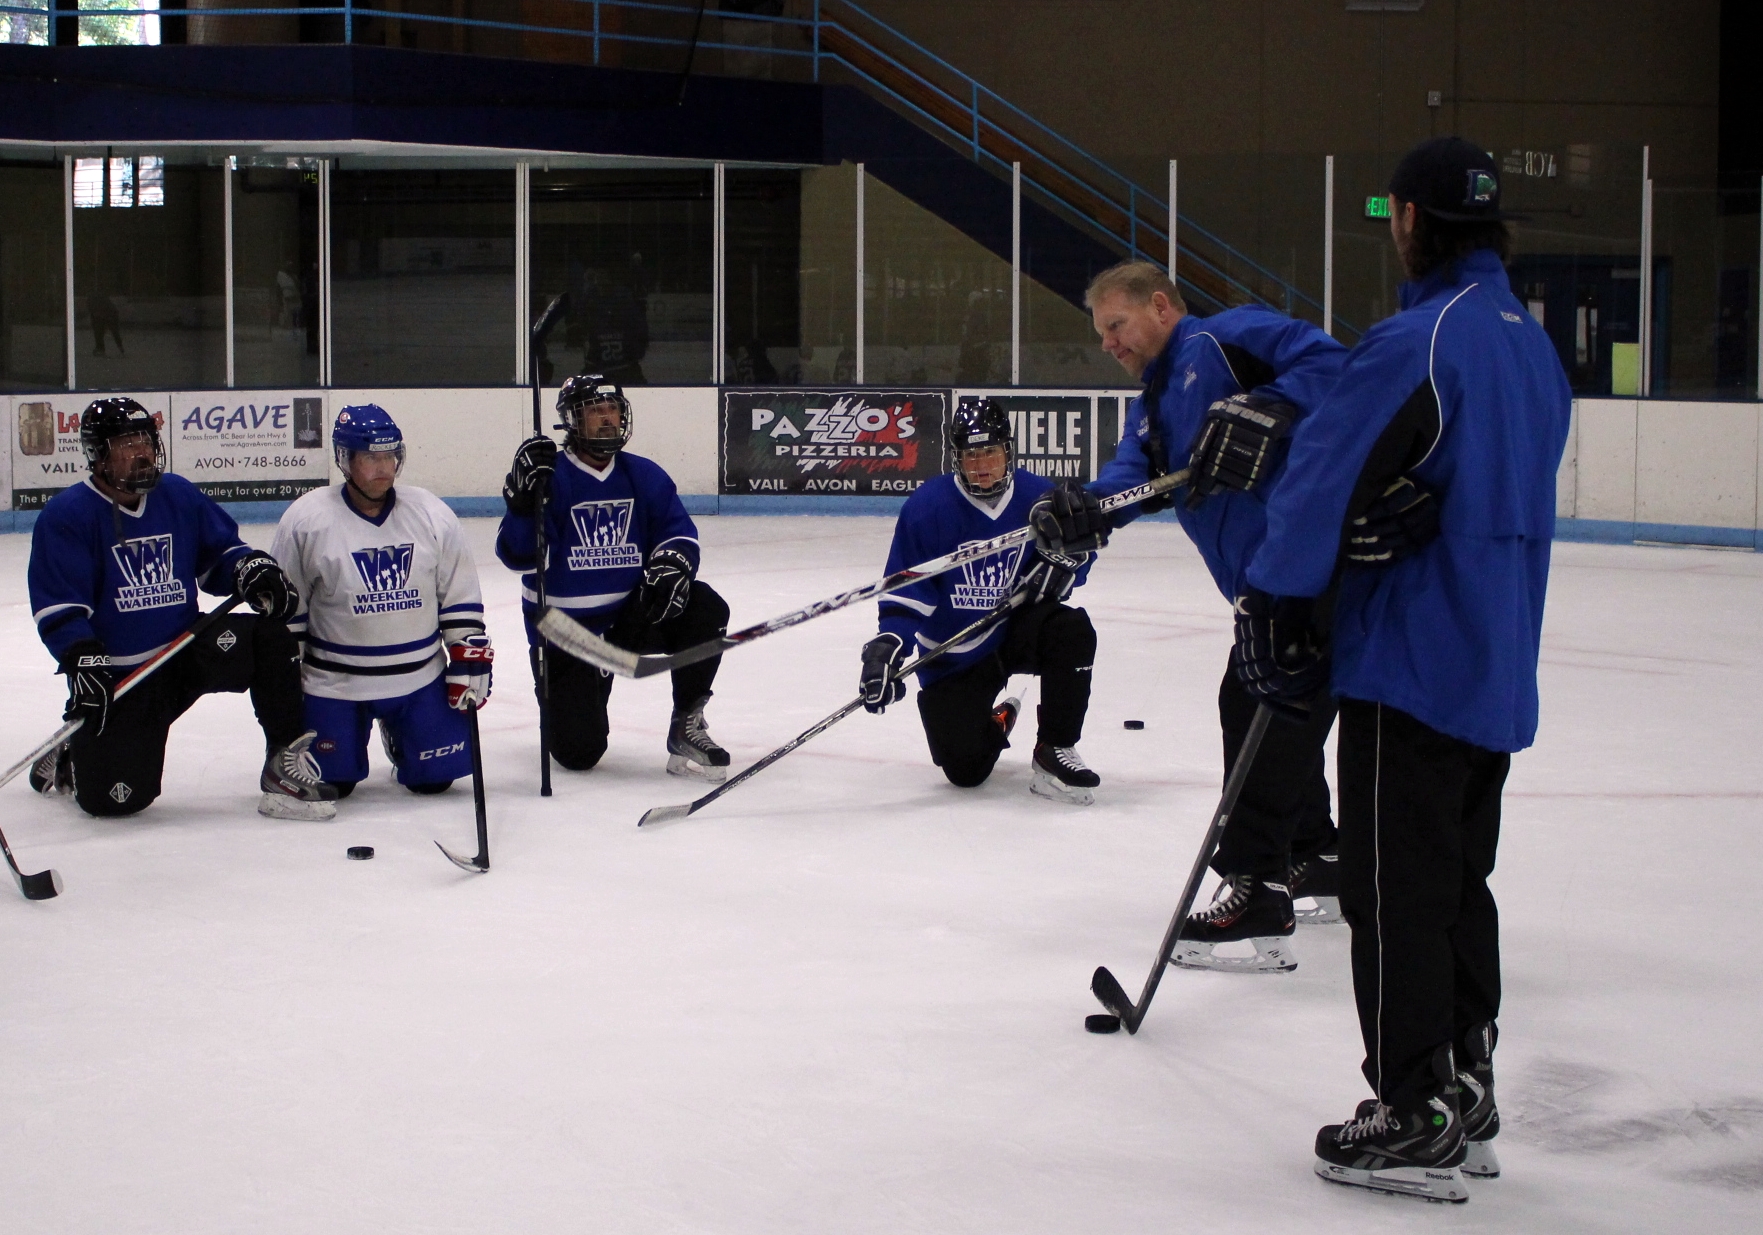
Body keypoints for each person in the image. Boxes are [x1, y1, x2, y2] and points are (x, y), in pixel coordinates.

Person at [1241, 138, 1572, 1201]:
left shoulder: (1417, 337)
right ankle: (1464, 1081)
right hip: (1495, 658)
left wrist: (1278, 600)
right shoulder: (1528, 343)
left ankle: (1409, 1101)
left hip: (1411, 659)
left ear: (1411, 223)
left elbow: (1320, 476)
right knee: (1455, 878)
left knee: (1388, 892)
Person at [1085, 259, 1354, 972]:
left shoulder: (1227, 338)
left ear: (1162, 306)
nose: (1109, 342)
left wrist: (1272, 403)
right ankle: (1317, 854)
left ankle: (1257, 887)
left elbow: (1338, 367)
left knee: (1258, 703)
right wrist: (1087, 508)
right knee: (1275, 705)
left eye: (1116, 324)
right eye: (1101, 333)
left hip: (1309, 565)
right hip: (1265, 581)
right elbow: (1132, 474)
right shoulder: (1153, 400)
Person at [26, 397, 335, 821]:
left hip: (185, 651)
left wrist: (249, 568)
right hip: (126, 676)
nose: (142, 454)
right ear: (98, 455)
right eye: (126, 445)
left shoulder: (177, 494)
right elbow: (60, 605)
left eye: (146, 442)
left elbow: (220, 555)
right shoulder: (67, 516)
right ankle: (72, 758)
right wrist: (81, 654)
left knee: (268, 639)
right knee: (116, 803)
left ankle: (282, 761)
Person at [860, 398, 1102, 804]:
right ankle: (1000, 717)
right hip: (954, 653)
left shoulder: (1039, 496)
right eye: (970, 455)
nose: (981, 464)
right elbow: (907, 590)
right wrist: (889, 645)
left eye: (989, 451)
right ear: (956, 458)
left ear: (1008, 450)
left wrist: (1072, 564)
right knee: (966, 771)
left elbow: (1080, 549)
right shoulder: (927, 507)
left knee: (1070, 629)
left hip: (1013, 630)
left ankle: (1054, 748)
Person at [498, 374, 731, 779]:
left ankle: (686, 723)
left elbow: (677, 531)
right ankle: (573, 694)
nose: (607, 418)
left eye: (613, 409)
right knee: (579, 753)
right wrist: (522, 505)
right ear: (572, 421)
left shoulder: (642, 475)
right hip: (566, 633)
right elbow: (519, 558)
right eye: (595, 411)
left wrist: (671, 565)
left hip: (626, 618)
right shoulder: (550, 477)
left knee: (703, 605)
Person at [271, 405, 492, 800]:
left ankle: (402, 730)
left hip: (419, 678)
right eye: (370, 457)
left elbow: (458, 595)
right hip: (335, 683)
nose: (383, 468)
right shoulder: (306, 521)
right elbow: (289, 613)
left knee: (434, 781)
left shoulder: (430, 513)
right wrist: (286, 688)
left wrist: (466, 654)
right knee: (334, 783)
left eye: (389, 456)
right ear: (345, 459)